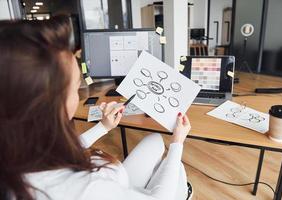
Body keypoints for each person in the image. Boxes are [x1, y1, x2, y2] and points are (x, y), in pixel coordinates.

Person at [0, 16, 192, 200]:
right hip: (118, 189)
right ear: (48, 105)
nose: (79, 91)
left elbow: (59, 156)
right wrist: (178, 142)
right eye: (76, 86)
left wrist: (103, 127)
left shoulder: (18, 151)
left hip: (117, 187)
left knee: (156, 140)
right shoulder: (83, 189)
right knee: (178, 171)